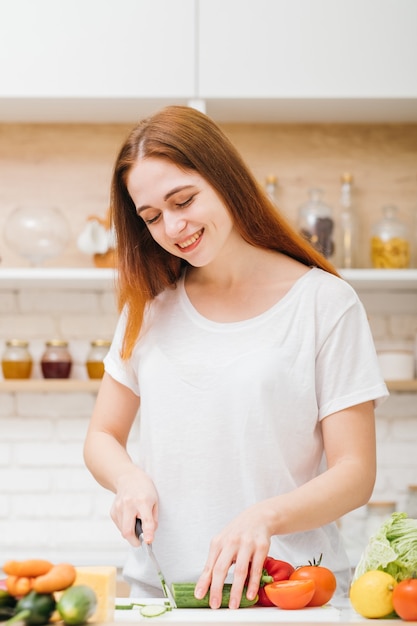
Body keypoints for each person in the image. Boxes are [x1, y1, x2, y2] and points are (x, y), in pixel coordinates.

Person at [83, 105, 388, 609]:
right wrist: (128, 478)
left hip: (288, 593)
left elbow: (355, 472)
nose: (173, 227)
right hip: (163, 594)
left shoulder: (323, 303)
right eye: (152, 217)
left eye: (183, 200)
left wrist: (264, 516)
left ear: (224, 178)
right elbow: (101, 436)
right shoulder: (150, 308)